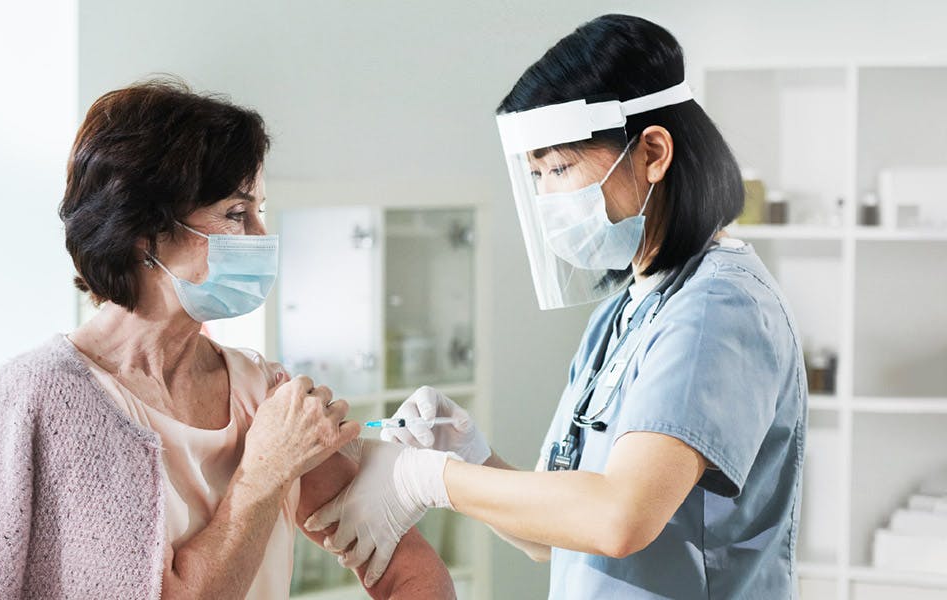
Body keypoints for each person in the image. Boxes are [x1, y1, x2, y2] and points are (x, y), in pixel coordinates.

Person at [306, 14, 808, 599]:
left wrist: (427, 479)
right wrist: (471, 455)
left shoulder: (718, 308)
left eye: (561, 167)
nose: (547, 197)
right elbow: (556, 536)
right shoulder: (621, 315)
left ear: (652, 153)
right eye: (535, 174)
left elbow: (618, 518)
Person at [0, 78, 455, 599]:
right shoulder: (40, 398)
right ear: (145, 230)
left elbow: (412, 572)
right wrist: (265, 473)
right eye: (237, 214)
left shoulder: (264, 393)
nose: (262, 237)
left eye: (261, 210)